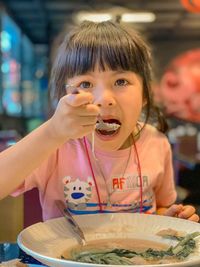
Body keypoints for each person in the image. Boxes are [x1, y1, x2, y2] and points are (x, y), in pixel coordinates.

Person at [0, 20, 199, 222]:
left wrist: (170, 217)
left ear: (145, 94)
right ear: (64, 97)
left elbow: (161, 205)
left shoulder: (156, 143)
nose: (104, 99)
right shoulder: (55, 147)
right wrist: (52, 132)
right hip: (63, 253)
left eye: (121, 81)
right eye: (85, 83)